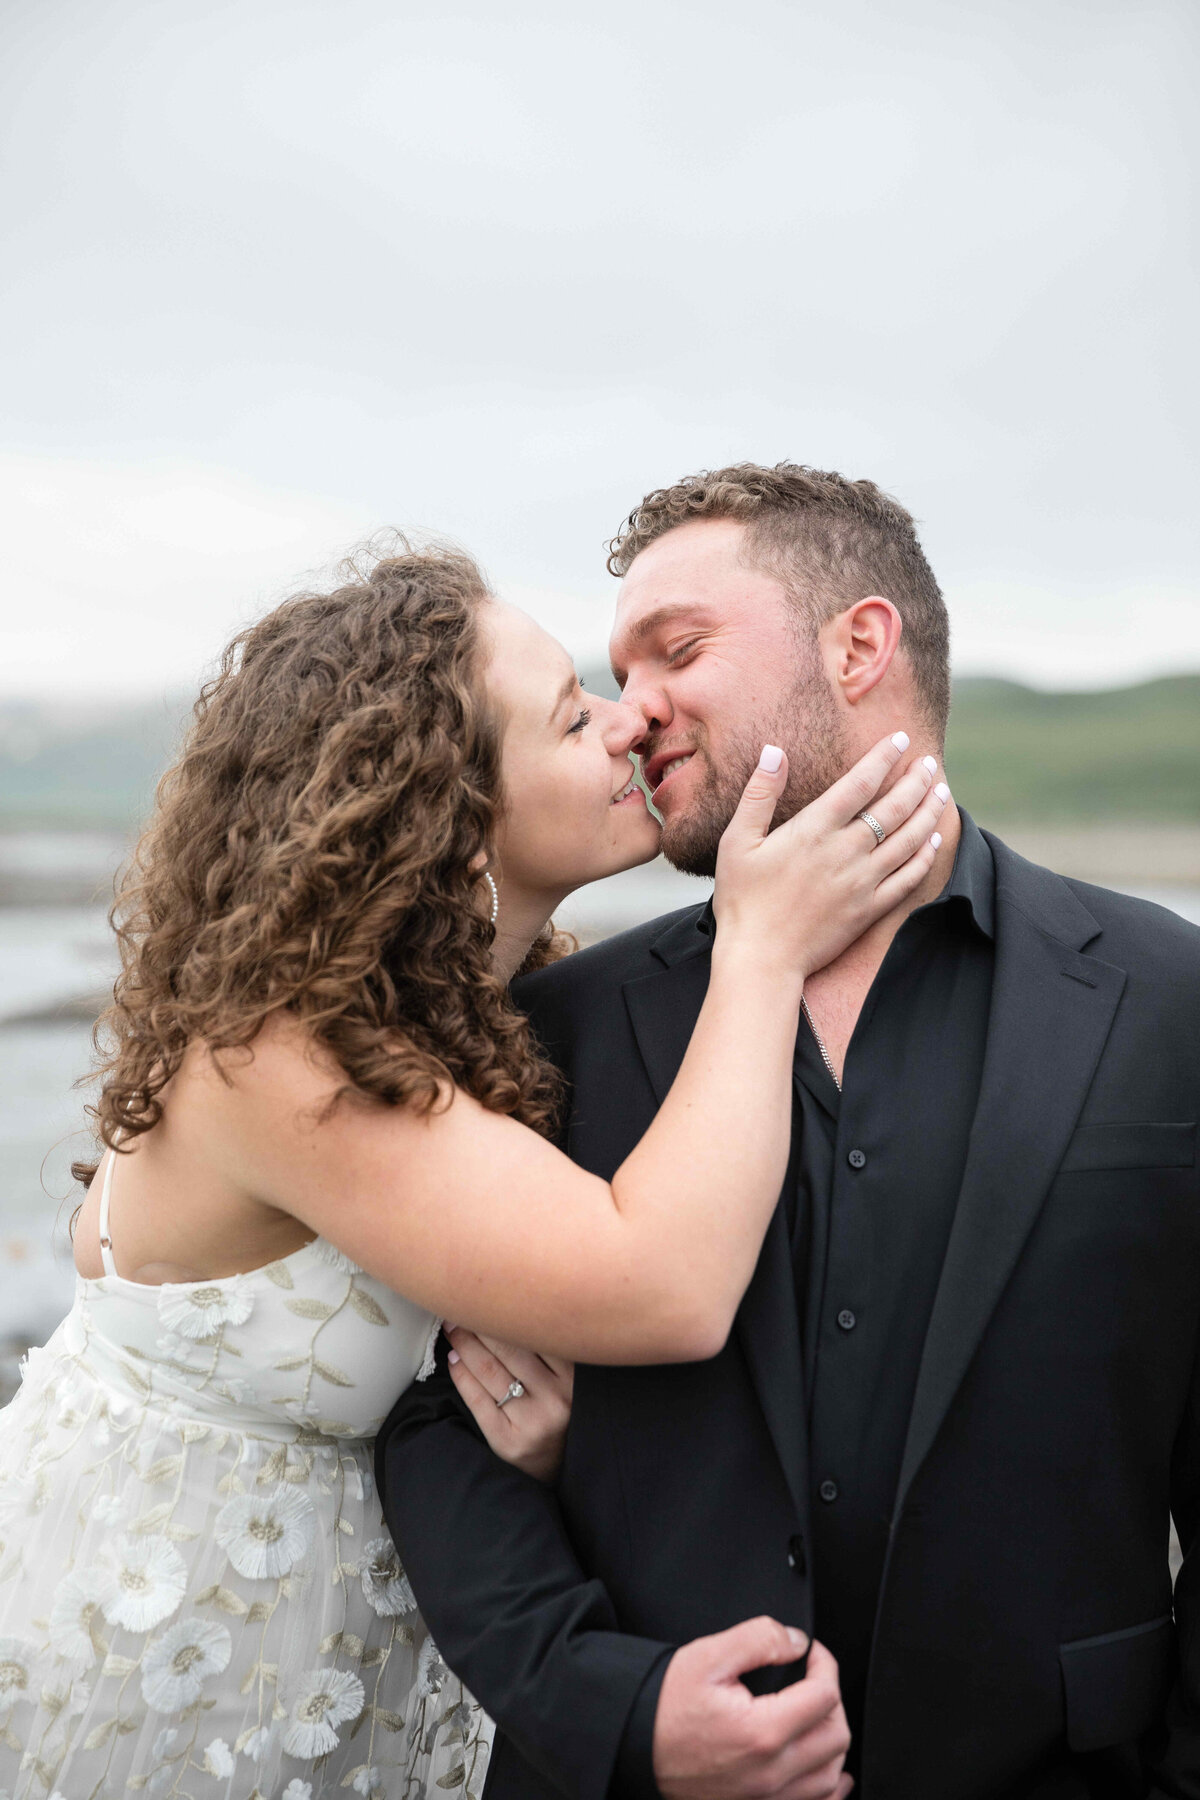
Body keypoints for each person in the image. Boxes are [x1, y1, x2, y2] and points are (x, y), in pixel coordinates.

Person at [0, 539, 943, 1797]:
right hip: (180, 1633)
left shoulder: (483, 1013)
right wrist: (760, 953)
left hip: (382, 1642)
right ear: (448, 810)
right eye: (571, 716)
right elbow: (662, 1284)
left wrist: (553, 1453)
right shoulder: (281, 1049)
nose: (629, 725)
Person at [377, 465, 1200, 1800]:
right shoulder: (554, 1028)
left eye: (679, 650)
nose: (632, 707)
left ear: (860, 645)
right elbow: (434, 1435)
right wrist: (620, 1713)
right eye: (617, 668)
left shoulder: (1169, 1001)